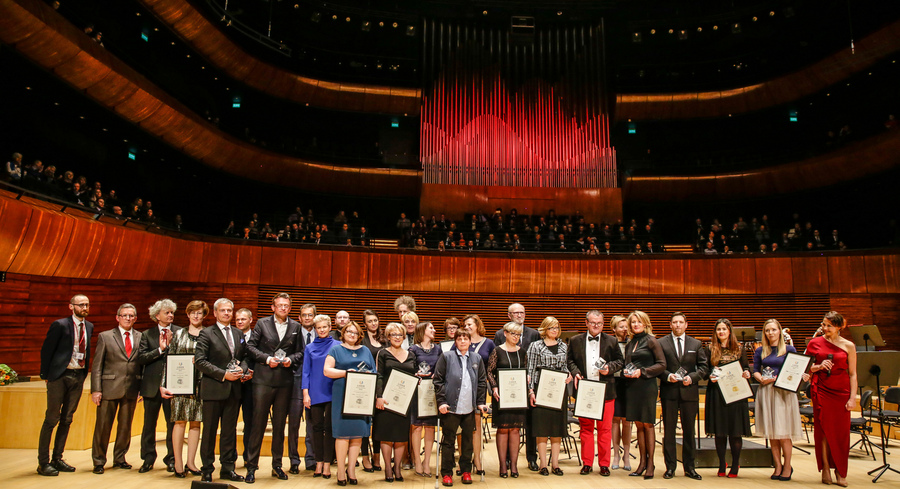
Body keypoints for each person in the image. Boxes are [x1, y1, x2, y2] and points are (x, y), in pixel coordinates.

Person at [245, 293, 304, 483]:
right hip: (263, 380)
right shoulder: (262, 324)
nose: (283, 308)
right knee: (258, 424)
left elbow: (301, 352)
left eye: (286, 306)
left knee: (279, 426)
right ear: (273, 307)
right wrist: (267, 359)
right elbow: (251, 348)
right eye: (279, 305)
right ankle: (251, 466)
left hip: (284, 382)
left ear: (290, 308)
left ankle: (277, 465)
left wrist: (290, 360)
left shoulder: (296, 326)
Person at [38, 294, 94, 476]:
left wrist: (84, 373)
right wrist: (46, 375)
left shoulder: (89, 326)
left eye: (87, 304)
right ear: (71, 307)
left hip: (78, 376)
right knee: (52, 418)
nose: (84, 307)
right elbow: (47, 350)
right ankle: (43, 462)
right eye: (81, 305)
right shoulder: (60, 325)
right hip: (59, 376)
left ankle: (57, 458)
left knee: (67, 419)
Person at [194, 298, 250, 482]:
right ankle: (207, 469)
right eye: (223, 310)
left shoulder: (237, 333)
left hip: (233, 391)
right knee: (209, 432)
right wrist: (224, 374)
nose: (227, 313)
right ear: (215, 313)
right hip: (213, 389)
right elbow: (200, 361)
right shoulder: (206, 333)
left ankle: (228, 469)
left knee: (229, 432)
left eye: (229, 310)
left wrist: (242, 368)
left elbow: (244, 356)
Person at [566, 310, 624, 476]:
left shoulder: (612, 341)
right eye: (593, 323)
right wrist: (576, 372)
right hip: (584, 390)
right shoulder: (576, 340)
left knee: (605, 429)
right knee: (586, 429)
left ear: (603, 324)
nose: (596, 326)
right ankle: (587, 463)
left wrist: (609, 369)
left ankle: (604, 464)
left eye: (599, 323)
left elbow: (620, 361)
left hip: (606, 391)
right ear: (586, 323)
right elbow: (570, 361)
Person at [806, 312, 857, 487]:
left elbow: (853, 373)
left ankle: (841, 471)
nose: (824, 328)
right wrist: (818, 367)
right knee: (823, 430)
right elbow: (805, 368)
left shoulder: (849, 346)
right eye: (823, 324)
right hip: (821, 390)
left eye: (828, 325)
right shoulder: (815, 343)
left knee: (841, 433)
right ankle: (826, 468)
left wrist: (852, 398)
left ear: (839, 327)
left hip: (841, 392)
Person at [89, 303, 141, 474]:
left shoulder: (141, 337)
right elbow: (97, 366)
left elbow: (142, 365)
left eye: (131, 315)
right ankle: (98, 460)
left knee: (125, 427)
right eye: (125, 315)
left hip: (131, 388)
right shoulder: (105, 336)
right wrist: (96, 389)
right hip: (109, 388)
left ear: (135, 318)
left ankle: (120, 458)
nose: (128, 318)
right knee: (103, 426)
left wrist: (141, 386)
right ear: (117, 317)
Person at [159, 300, 208, 477]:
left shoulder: (208, 334)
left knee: (196, 423)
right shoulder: (178, 334)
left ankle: (191, 463)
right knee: (179, 422)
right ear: (187, 314)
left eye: (199, 313)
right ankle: (178, 464)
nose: (196, 316)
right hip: (180, 385)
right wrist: (164, 384)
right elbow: (169, 360)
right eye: (193, 312)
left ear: (204, 315)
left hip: (200, 385)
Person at [325, 321, 377, 486]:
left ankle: (351, 471)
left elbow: (374, 371)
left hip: (362, 397)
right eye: (349, 332)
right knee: (342, 434)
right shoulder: (336, 349)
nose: (352, 335)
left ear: (359, 335)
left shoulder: (365, 350)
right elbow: (327, 370)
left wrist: (368, 374)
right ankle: (341, 471)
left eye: (355, 333)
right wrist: (345, 373)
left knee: (357, 434)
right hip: (342, 395)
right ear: (344, 333)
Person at [435, 329, 489, 487]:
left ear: (470, 341)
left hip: (469, 408)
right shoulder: (446, 357)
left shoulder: (477, 358)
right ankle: (446, 473)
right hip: (450, 407)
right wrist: (441, 402)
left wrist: (480, 401)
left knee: (467, 442)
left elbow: (481, 381)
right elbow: (438, 381)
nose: (463, 341)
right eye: (460, 339)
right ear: (455, 341)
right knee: (448, 441)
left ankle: (466, 470)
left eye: (466, 339)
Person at [658, 312, 708, 480]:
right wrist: (667, 376)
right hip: (669, 392)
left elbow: (703, 367)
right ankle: (670, 467)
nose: (678, 325)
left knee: (689, 431)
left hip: (689, 392)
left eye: (681, 322)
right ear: (670, 325)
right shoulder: (661, 343)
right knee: (669, 431)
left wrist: (692, 378)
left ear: (686, 325)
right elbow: (658, 366)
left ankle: (690, 467)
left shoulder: (696, 343)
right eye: (675, 322)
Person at [753, 319, 803, 482]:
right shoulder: (760, 350)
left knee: (783, 432)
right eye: (767, 330)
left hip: (783, 392)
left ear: (779, 331)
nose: (770, 333)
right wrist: (761, 379)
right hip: (766, 391)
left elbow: (794, 370)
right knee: (772, 433)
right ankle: (777, 466)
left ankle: (787, 466)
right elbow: (755, 370)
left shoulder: (789, 349)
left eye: (773, 330)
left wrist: (777, 378)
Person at [492, 303, 540, 471]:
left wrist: (529, 383)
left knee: (524, 427)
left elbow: (532, 363)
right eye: (516, 313)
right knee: (505, 429)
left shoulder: (534, 334)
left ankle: (530, 459)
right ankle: (504, 462)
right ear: (509, 316)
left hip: (522, 391)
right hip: (504, 392)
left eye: (522, 312)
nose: (520, 315)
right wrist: (495, 386)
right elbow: (493, 367)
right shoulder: (499, 336)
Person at [136, 299, 181, 473]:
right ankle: (147, 459)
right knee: (149, 425)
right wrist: (161, 350)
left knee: (172, 425)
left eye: (172, 312)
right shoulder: (147, 335)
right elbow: (141, 358)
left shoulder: (180, 332)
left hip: (173, 387)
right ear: (157, 316)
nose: (170, 315)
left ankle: (171, 459)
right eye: (167, 312)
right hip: (151, 387)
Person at [704, 319, 751, 478]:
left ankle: (735, 464)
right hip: (717, 394)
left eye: (724, 329)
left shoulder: (739, 349)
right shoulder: (710, 349)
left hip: (736, 394)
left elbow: (745, 367)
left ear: (729, 331)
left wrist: (746, 373)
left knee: (735, 432)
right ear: (715, 332)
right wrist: (710, 375)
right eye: (718, 329)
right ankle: (722, 462)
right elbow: (705, 370)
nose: (721, 332)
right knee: (720, 432)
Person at [623, 310, 666, 480]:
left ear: (646, 323)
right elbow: (628, 363)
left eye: (639, 322)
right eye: (633, 322)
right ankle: (641, 462)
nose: (636, 325)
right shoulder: (630, 342)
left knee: (648, 424)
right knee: (639, 425)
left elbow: (662, 365)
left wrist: (642, 371)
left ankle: (650, 464)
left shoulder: (652, 341)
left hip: (647, 385)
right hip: (632, 387)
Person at [526, 317, 572, 476]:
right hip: (541, 389)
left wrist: (569, 375)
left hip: (559, 390)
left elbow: (565, 366)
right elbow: (530, 370)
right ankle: (543, 465)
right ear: (544, 329)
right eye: (551, 327)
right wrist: (531, 391)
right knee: (542, 427)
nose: (555, 330)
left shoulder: (564, 346)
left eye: (557, 327)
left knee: (557, 429)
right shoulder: (535, 345)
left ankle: (556, 464)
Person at [375, 323, 418, 482]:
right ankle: (388, 467)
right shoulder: (383, 353)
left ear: (404, 337)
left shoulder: (411, 355)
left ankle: (397, 467)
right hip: (385, 402)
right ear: (388, 337)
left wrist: (417, 380)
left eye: (400, 335)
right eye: (393, 335)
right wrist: (378, 397)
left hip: (403, 402)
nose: (397, 338)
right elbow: (378, 376)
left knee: (400, 437)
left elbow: (413, 374)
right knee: (386, 436)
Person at [486, 322, 528, 478]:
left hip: (517, 398)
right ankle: (503, 465)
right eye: (513, 334)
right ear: (505, 333)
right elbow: (489, 372)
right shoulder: (497, 351)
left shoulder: (522, 351)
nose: (515, 337)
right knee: (503, 429)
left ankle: (515, 466)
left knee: (515, 429)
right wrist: (495, 387)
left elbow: (525, 370)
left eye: (518, 334)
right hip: (502, 396)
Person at [302, 315, 338, 479]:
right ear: (315, 329)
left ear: (330, 327)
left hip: (332, 391)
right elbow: (306, 372)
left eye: (325, 327)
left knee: (329, 428)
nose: (322, 330)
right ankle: (318, 461)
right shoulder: (309, 348)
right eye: (319, 327)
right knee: (316, 428)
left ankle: (327, 464)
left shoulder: (337, 346)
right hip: (314, 392)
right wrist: (305, 394)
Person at [460, 314, 494, 474]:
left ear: (477, 325)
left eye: (470, 324)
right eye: (464, 325)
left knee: (477, 425)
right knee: (462, 426)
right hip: (461, 389)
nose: (467, 327)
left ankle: (478, 460)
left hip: (479, 388)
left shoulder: (489, 343)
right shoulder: (460, 341)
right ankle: (463, 460)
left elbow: (492, 366)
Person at [408, 321, 441, 478]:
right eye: (431, 328)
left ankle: (427, 462)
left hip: (432, 392)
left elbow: (441, 368)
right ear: (422, 331)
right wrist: (415, 374)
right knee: (417, 427)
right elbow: (409, 367)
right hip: (417, 391)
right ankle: (418, 461)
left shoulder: (438, 349)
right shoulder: (413, 349)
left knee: (430, 427)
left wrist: (437, 375)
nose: (434, 330)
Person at [289, 303, 318, 473]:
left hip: (314, 385)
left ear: (315, 317)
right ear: (299, 318)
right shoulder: (292, 333)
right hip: (295, 383)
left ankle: (311, 459)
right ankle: (294, 460)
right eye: (304, 315)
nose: (307, 318)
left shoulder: (322, 334)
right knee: (293, 424)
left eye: (310, 315)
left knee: (312, 424)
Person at [360, 309, 384, 472]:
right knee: (364, 424)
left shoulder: (385, 340)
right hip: (365, 385)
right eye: (370, 321)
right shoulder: (361, 341)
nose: (373, 323)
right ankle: (365, 457)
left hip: (380, 385)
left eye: (375, 320)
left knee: (378, 424)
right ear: (365, 324)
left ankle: (377, 456)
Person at [609, 315, 632, 471]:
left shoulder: (633, 342)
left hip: (630, 384)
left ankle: (627, 455)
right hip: (615, 383)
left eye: (626, 326)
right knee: (615, 420)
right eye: (621, 326)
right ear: (614, 329)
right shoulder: (610, 343)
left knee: (627, 421)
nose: (624, 329)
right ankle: (616, 454)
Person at [234, 308, 256, 467]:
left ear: (250, 320)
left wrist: (253, 373)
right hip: (233, 384)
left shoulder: (258, 336)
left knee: (250, 423)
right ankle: (230, 457)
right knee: (230, 423)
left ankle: (248, 456)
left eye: (243, 319)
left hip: (252, 386)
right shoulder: (232, 335)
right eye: (238, 319)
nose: (240, 322)